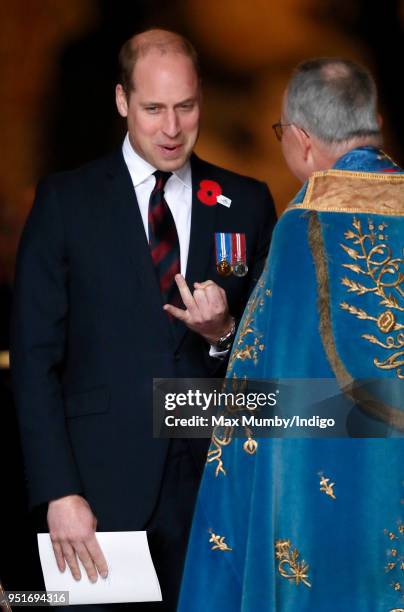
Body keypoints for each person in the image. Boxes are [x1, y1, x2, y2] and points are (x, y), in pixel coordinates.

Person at [10, 29, 276, 611]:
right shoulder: (65, 202)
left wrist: (221, 335)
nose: (172, 128)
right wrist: (58, 492)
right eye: (154, 109)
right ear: (122, 101)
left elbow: (268, 365)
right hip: (98, 490)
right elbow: (32, 359)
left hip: (215, 489)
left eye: (185, 106)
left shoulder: (247, 202)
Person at [178, 58, 404, 611]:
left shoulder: (304, 225)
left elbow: (259, 391)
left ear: (301, 140)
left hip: (336, 501)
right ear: (372, 119)